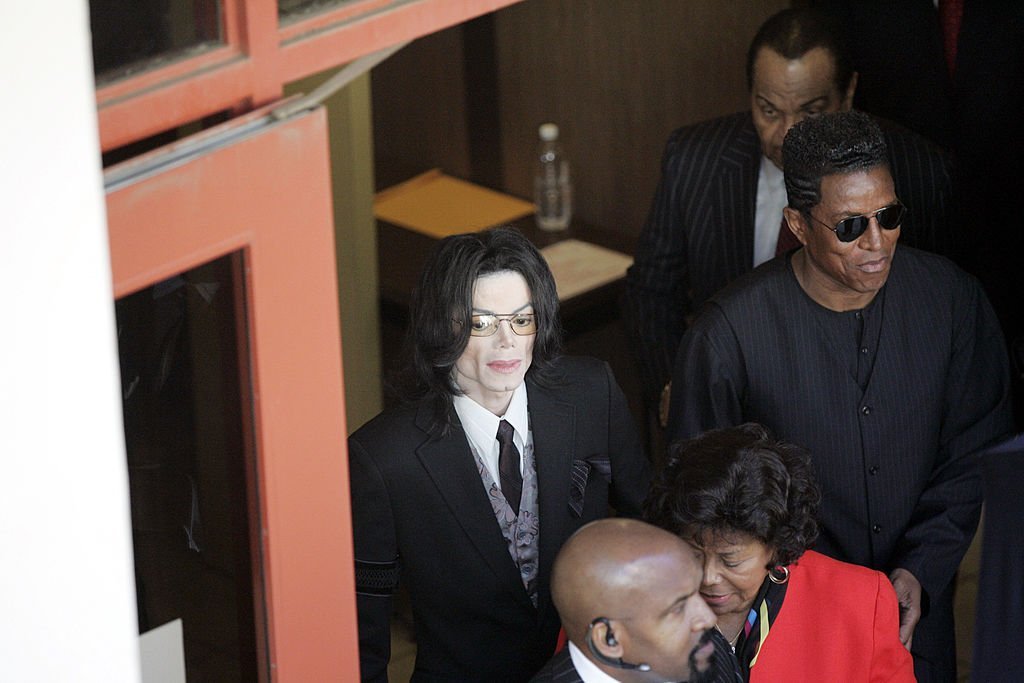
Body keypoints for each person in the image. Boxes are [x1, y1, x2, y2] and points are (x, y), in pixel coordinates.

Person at [666, 110, 1013, 681]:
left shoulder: (952, 302)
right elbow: (699, 501)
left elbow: (973, 452)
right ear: (799, 225)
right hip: (788, 631)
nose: (877, 243)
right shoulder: (726, 335)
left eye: (889, 216)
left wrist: (920, 569)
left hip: (915, 614)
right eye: (850, 226)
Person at [349, 226, 651, 682]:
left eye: (521, 320)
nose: (506, 341)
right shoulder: (383, 458)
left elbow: (649, 528)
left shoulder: (592, 395)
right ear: (440, 325)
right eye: (480, 323)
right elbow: (361, 641)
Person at [623, 7, 954, 419]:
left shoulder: (916, 170)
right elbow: (651, 293)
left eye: (811, 111)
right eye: (769, 110)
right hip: (732, 407)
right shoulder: (694, 160)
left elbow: (934, 312)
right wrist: (681, 384)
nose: (788, 135)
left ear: (848, 94)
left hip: (859, 412)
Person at [644, 424, 915, 682]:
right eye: (694, 555)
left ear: (776, 545)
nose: (708, 577)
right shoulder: (634, 605)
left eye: (731, 561)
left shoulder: (860, 601)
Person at [530, 518, 740, 683]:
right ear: (609, 639)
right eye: (678, 608)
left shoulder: (709, 649)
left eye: (696, 592)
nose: (709, 618)